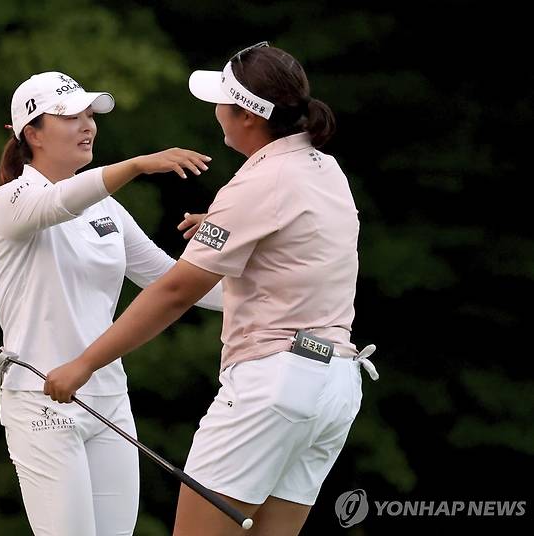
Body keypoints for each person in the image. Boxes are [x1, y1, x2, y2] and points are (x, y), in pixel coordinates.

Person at [43, 43, 378, 536]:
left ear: (246, 116)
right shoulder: (325, 167)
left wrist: (84, 364)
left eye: (222, 101)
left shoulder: (257, 183)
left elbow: (176, 291)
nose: (215, 111)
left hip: (275, 384)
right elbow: (298, 241)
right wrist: (226, 229)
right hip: (336, 385)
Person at [0, 70, 223, 536]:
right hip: (41, 401)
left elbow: (170, 280)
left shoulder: (108, 209)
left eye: (90, 114)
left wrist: (272, 291)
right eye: (71, 116)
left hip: (109, 399)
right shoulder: (10, 201)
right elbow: (57, 204)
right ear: (31, 133)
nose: (88, 124)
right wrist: (136, 165)